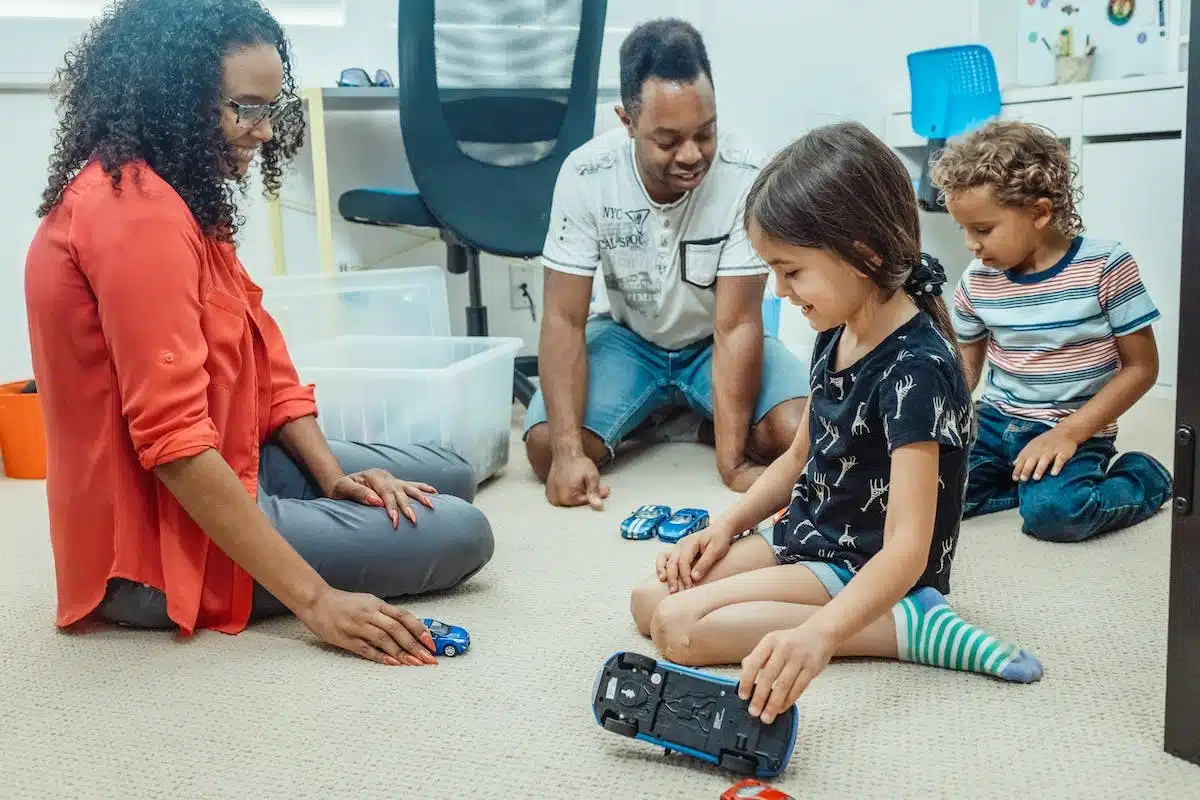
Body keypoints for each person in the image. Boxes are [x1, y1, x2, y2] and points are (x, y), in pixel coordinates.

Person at [23, 0, 494, 667]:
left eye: (273, 108)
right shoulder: (136, 215)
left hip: (232, 453)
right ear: (175, 100)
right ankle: (245, 552)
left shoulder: (181, 194)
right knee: (464, 532)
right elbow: (174, 446)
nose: (265, 132)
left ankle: (311, 499)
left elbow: (265, 361)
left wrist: (331, 477)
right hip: (153, 543)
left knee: (453, 472)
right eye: (246, 109)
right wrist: (316, 602)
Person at [630, 122, 1043, 726]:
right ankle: (876, 619)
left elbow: (908, 547)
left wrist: (819, 636)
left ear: (865, 253)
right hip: (806, 536)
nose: (779, 289)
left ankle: (906, 628)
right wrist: (726, 527)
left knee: (678, 628)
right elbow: (798, 459)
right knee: (648, 601)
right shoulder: (835, 329)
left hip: (863, 562)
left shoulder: (918, 368)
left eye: (791, 271)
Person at [523, 18, 809, 508]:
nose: (692, 155)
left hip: (714, 341)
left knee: (801, 436)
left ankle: (697, 424)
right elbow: (563, 318)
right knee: (546, 448)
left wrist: (732, 462)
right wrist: (571, 453)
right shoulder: (587, 174)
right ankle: (654, 410)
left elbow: (737, 323)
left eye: (706, 132)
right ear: (627, 121)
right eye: (669, 140)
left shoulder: (747, 173)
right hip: (628, 341)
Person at [931, 121, 1172, 543]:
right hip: (993, 423)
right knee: (924, 498)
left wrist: (1068, 433)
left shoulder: (1106, 266)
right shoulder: (977, 281)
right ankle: (1025, 482)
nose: (971, 244)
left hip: (1074, 425)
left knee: (1056, 515)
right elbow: (966, 371)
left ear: (1040, 213)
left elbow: (1142, 368)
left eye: (983, 229)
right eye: (964, 230)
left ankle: (1145, 477)